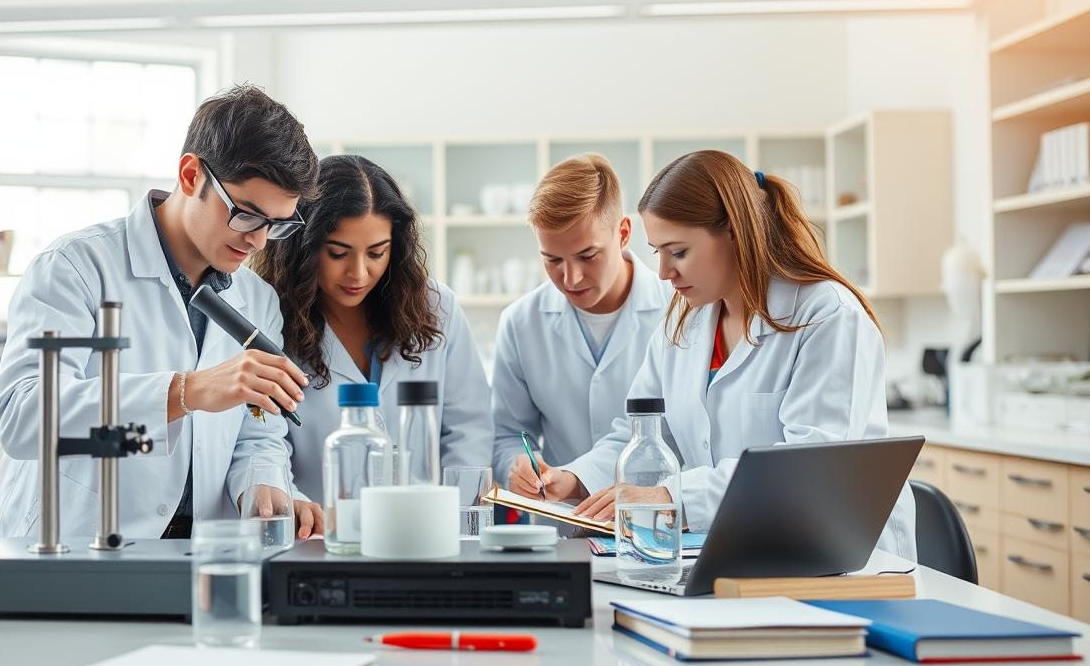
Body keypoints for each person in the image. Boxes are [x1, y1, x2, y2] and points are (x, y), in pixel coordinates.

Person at [513, 150, 916, 560]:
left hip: (849, 563)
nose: (665, 272)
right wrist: (575, 477)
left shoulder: (826, 315)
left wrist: (672, 496)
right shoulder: (684, 322)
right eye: (658, 253)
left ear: (736, 232)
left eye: (679, 252)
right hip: (734, 553)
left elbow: (809, 469)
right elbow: (644, 431)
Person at [0, 85, 324, 541]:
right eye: (246, 215)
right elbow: (22, 417)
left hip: (199, 556)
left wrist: (262, 485)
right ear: (190, 176)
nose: (258, 241)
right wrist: (185, 391)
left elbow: (257, 431)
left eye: (276, 224)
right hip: (74, 547)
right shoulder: (76, 267)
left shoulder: (257, 298)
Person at [253, 154, 493, 503]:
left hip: (426, 533)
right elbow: (263, 440)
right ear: (303, 247)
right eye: (338, 253)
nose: (359, 273)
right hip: (319, 538)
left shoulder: (437, 307)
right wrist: (293, 502)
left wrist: (454, 519)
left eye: (377, 253)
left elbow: (469, 432)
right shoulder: (270, 318)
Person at [496, 153, 670, 494]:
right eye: (553, 260)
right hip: (561, 525)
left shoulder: (677, 310)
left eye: (588, 256)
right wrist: (517, 466)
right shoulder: (520, 323)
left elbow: (678, 432)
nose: (571, 277)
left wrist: (579, 477)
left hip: (655, 521)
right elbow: (507, 434)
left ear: (622, 234)